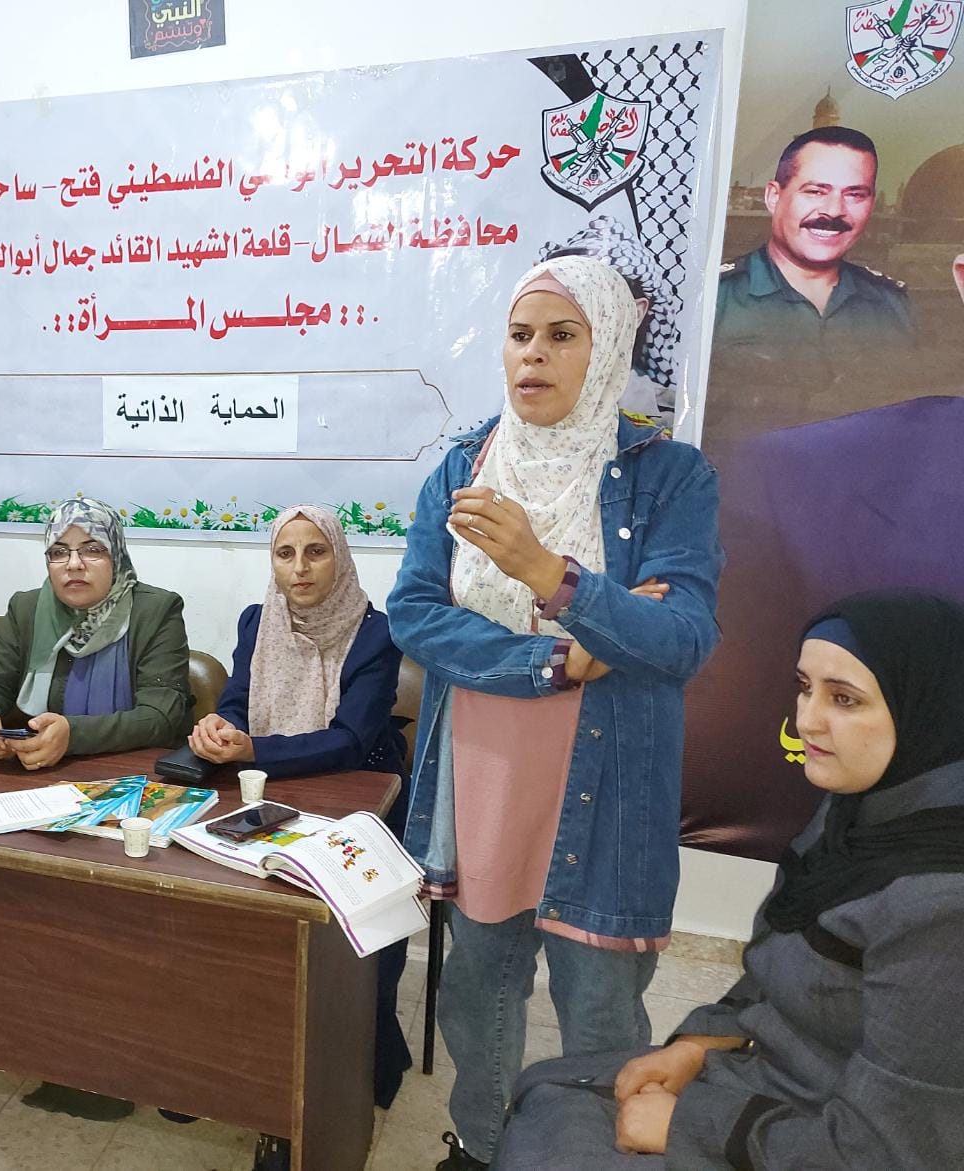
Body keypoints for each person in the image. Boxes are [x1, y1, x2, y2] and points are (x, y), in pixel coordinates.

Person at [386, 255, 723, 1170]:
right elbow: (415, 612)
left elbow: (682, 636)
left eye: (562, 335)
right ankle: (482, 1145)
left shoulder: (668, 477)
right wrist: (558, 656)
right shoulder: (463, 468)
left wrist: (548, 573)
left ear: (606, 348)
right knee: (478, 992)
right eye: (520, 334)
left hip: (607, 784)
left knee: (601, 1009)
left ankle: (588, 1157)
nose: (533, 354)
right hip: (483, 777)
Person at [495, 591, 964, 1170]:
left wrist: (690, 1125)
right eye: (805, 687)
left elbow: (892, 1151)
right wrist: (702, 1042)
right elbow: (783, 968)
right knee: (548, 1090)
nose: (806, 720)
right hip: (773, 1090)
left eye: (844, 699)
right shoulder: (859, 815)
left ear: (928, 708)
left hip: (809, 1137)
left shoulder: (943, 904)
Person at [188, 503, 414, 1112]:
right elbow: (237, 700)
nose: (300, 568)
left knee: (350, 934)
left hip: (362, 793)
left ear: (340, 557)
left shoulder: (375, 631)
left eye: (316, 551)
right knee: (219, 911)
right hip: (267, 786)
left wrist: (255, 749)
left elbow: (351, 740)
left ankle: (356, 1057)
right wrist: (222, 727)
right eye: (285, 554)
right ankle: (228, 1056)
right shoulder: (256, 620)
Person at [0, 497, 191, 771]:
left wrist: (73, 735)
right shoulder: (27, 609)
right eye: (59, 552)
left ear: (117, 556)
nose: (74, 564)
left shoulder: (156, 611)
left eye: (93, 549)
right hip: (37, 770)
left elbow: (160, 716)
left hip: (131, 772)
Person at [713, 126, 914, 347]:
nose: (834, 211)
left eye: (855, 195)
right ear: (773, 197)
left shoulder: (892, 305)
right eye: (815, 192)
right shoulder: (714, 297)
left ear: (871, 205)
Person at [540, 215, 674, 427]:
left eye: (597, 297)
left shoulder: (674, 417)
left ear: (636, 313)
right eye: (569, 295)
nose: (577, 311)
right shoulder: (525, 404)